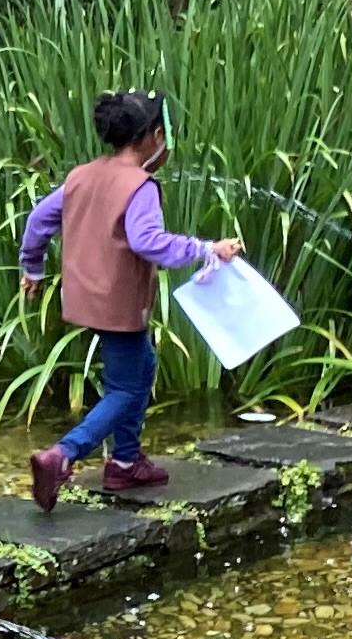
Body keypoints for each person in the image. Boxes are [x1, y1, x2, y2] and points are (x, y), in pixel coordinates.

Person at [16, 88, 243, 513]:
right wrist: (207, 248)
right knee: (125, 388)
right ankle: (62, 455)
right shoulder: (140, 185)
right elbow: (148, 242)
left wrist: (33, 268)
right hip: (119, 303)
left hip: (86, 297)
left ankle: (124, 460)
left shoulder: (81, 175)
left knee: (144, 364)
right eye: (165, 135)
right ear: (154, 136)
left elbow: (38, 220)